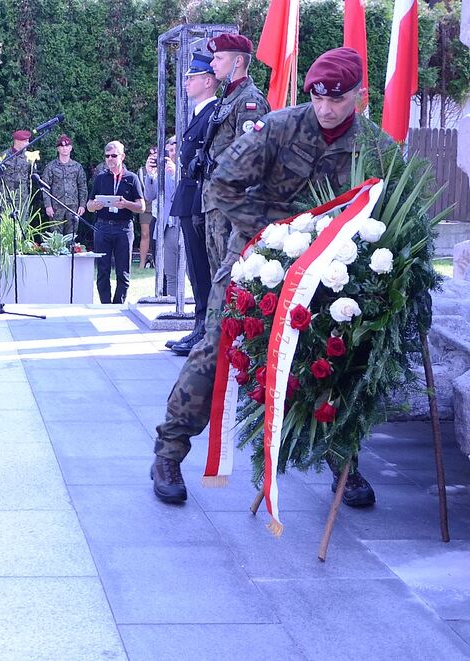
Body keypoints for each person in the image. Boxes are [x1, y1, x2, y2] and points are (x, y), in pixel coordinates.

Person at [150, 48, 387, 509]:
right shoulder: (279, 128)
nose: (325, 108)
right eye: (317, 97)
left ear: (360, 95)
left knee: (336, 357)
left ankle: (343, 462)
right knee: (214, 349)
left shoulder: (376, 146)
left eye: (337, 99)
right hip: (257, 259)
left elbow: (394, 210)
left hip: (331, 272)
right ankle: (169, 453)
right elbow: (221, 184)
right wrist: (268, 234)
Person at [165, 51, 220, 356]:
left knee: (202, 268)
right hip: (190, 196)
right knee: (196, 269)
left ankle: (204, 328)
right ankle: (200, 325)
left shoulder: (212, 114)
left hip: (199, 197)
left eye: (193, 77)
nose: (186, 82)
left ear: (209, 81)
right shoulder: (202, 112)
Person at [201, 33, 270, 275]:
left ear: (238, 62)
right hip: (215, 199)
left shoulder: (249, 101)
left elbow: (249, 156)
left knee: (232, 275)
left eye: (218, 58)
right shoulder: (228, 98)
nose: (212, 63)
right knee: (216, 274)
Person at [86, 141, 146, 304]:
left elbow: (141, 207)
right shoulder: (100, 178)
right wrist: (94, 205)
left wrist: (126, 204)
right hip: (103, 227)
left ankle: (118, 305)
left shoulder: (131, 178)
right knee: (103, 270)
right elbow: (89, 206)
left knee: (123, 271)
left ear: (122, 156)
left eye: (114, 155)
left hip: (123, 228)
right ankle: (105, 305)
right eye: (107, 156)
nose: (110, 159)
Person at [143, 137, 179, 294]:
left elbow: (182, 194)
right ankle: (171, 307)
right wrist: (150, 175)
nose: (172, 154)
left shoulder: (188, 167)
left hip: (183, 225)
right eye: (169, 151)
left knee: (192, 273)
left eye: (174, 150)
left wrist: (174, 174)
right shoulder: (163, 172)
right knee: (170, 274)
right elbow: (149, 196)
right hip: (166, 226)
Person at [41, 134, 87, 235]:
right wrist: (48, 205)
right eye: (62, 146)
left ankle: (70, 250)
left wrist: (82, 205)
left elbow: (82, 186)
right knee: (56, 236)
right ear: (58, 149)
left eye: (67, 146)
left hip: (73, 207)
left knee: (71, 235)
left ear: (71, 148)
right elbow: (45, 187)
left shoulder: (77, 167)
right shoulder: (51, 166)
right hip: (56, 206)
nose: (64, 148)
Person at [0, 129, 36, 205]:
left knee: (22, 216)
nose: (28, 143)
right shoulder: (4, 155)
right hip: (6, 196)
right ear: (17, 141)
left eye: (28, 141)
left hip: (22, 197)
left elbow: (32, 176)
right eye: (25, 141)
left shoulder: (29, 156)